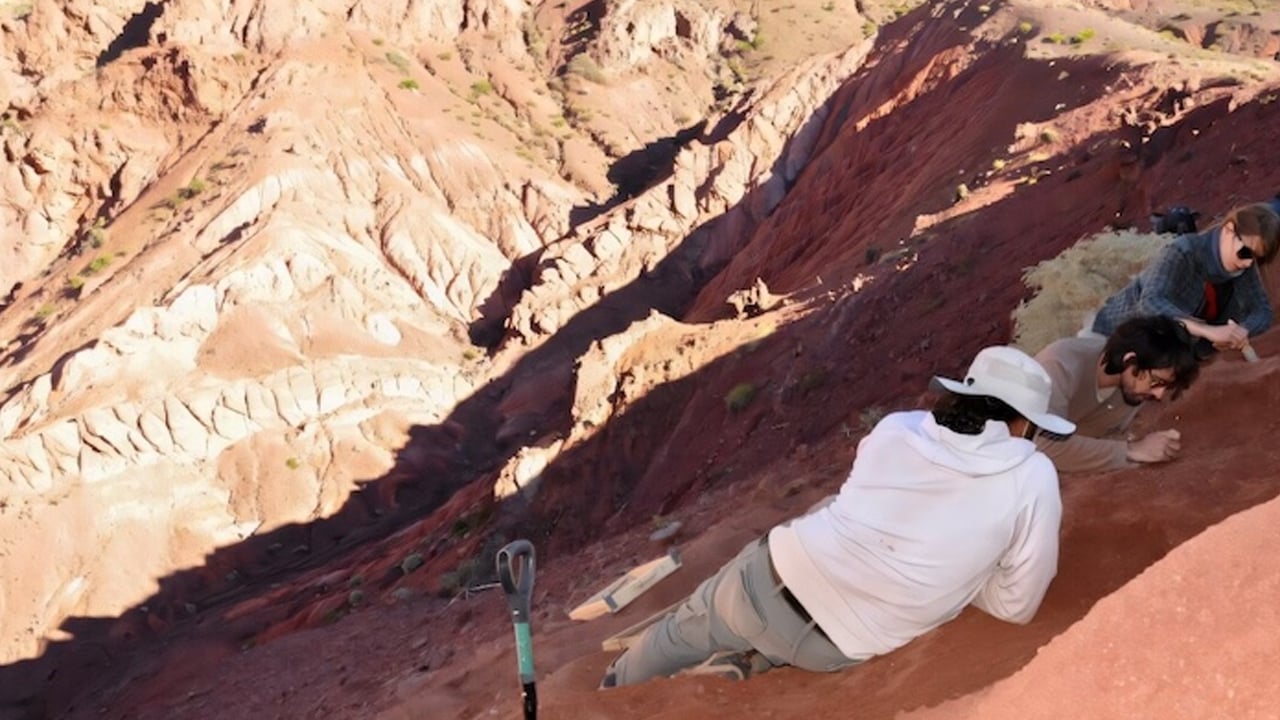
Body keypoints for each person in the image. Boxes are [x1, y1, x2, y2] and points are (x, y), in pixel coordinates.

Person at [599, 346, 1075, 687]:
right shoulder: (1032, 475)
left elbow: (862, 498)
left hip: (763, 579)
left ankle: (614, 689)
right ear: (1023, 422)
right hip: (828, 648)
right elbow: (1018, 607)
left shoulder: (897, 427)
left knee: (674, 635)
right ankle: (759, 657)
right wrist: (967, 575)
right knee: (794, 631)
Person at [1091, 202, 1280, 354]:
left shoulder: (1241, 265)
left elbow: (1262, 311)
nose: (1249, 264)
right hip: (1114, 336)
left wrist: (1241, 331)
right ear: (1229, 230)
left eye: (1257, 258)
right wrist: (1209, 332)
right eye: (1246, 253)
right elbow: (1150, 303)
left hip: (1169, 348)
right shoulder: (1182, 251)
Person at [1033, 315, 1201, 474]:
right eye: (1156, 382)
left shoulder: (1132, 389)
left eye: (1167, 386)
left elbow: (1096, 438)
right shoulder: (1060, 364)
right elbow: (1042, 444)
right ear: (1129, 360)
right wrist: (1134, 450)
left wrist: (1135, 445)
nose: (1159, 394)